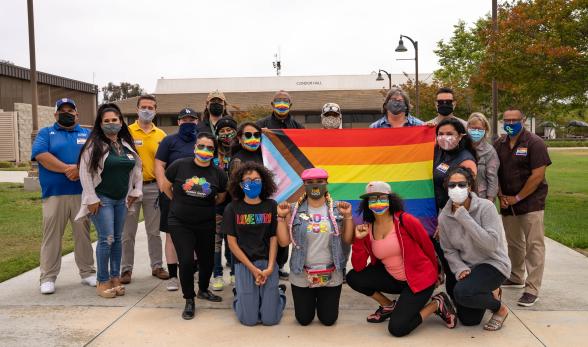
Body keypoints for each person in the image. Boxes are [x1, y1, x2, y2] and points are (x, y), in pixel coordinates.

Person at [346, 182, 456, 337]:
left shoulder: (405, 220)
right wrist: (358, 240)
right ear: (367, 203)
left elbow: (428, 247)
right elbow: (358, 267)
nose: (377, 202)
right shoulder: (367, 228)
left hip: (419, 280)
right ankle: (387, 305)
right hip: (394, 278)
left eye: (381, 198)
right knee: (353, 277)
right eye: (372, 199)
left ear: (390, 200)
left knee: (397, 328)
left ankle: (437, 303)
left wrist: (437, 272)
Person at [76, 103, 142, 298]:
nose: (111, 124)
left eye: (115, 120)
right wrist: (91, 198)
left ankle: (115, 277)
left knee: (118, 240)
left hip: (121, 200)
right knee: (107, 239)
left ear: (121, 122)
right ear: (100, 124)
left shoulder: (125, 145)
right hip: (101, 199)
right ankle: (102, 280)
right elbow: (84, 173)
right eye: (107, 121)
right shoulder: (94, 145)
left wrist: (135, 192)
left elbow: (137, 169)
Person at [32, 98, 95, 294]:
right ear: (55, 114)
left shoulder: (87, 133)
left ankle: (87, 273)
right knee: (51, 237)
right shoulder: (46, 133)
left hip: (81, 194)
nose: (66, 113)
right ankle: (48, 277)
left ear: (77, 114)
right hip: (54, 195)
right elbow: (41, 155)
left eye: (70, 110)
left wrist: (80, 169)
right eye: (62, 110)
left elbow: (95, 156)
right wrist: (69, 169)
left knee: (83, 235)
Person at [275, 168, 353, 326]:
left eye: (319, 182)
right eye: (310, 183)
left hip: (331, 273)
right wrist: (281, 218)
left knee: (328, 320)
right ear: (304, 185)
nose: (315, 186)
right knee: (303, 320)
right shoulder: (292, 209)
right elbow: (283, 242)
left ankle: (323, 302)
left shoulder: (339, 208)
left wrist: (348, 216)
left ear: (326, 184)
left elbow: (348, 239)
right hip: (302, 273)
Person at [162, 133, 227, 319]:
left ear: (214, 152)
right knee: (187, 260)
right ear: (195, 147)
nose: (205, 150)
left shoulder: (218, 174)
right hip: (180, 222)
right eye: (201, 146)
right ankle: (189, 299)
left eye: (209, 148)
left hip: (206, 223)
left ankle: (203, 289)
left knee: (207, 261)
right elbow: (166, 186)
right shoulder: (179, 165)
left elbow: (221, 196)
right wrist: (177, 202)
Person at [438, 167, 511, 330]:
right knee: (469, 320)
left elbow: (492, 244)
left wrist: (464, 217)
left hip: (493, 263)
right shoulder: (444, 217)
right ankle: (490, 292)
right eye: (452, 185)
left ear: (470, 186)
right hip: (469, 267)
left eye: (462, 184)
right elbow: (449, 250)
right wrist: (460, 268)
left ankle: (500, 309)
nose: (457, 189)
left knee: (462, 292)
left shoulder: (486, 207)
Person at [494, 107, 551, 307]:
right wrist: (501, 195)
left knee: (534, 245)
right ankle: (516, 276)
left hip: (530, 202)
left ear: (523, 120)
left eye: (514, 120)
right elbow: (495, 171)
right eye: (506, 120)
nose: (510, 124)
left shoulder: (535, 143)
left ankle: (532, 288)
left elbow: (538, 176)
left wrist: (517, 198)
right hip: (507, 202)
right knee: (514, 243)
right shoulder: (499, 143)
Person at [223, 161, 287, 326]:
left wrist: (271, 267)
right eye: (248, 180)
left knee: (269, 319)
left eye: (256, 180)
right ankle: (240, 295)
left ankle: (279, 293)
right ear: (241, 184)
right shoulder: (232, 208)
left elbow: (274, 238)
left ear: (264, 182)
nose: (252, 183)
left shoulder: (271, 206)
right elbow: (232, 243)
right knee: (249, 320)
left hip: (267, 262)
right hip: (244, 264)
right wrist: (252, 269)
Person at [230, 122, 290, 280]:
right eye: (248, 135)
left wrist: (271, 136)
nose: (253, 138)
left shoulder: (266, 152)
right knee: (246, 241)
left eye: (257, 135)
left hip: (270, 204)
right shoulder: (237, 160)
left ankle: (276, 267)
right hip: (247, 207)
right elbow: (236, 188)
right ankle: (240, 276)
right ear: (240, 138)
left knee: (274, 238)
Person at [121, 94, 169, 284]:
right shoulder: (126, 132)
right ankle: (126, 270)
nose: (147, 110)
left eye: (150, 107)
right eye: (144, 107)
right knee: (128, 232)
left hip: (152, 188)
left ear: (156, 110)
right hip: (130, 188)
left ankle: (157, 266)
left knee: (154, 231)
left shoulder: (161, 135)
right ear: (137, 109)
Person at [432, 117, 477, 305]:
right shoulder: (440, 153)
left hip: (455, 218)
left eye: (450, 134)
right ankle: (453, 300)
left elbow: (463, 197)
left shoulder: (466, 160)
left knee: (456, 262)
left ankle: (462, 300)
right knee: (445, 259)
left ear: (460, 136)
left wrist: (444, 222)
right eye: (441, 134)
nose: (445, 138)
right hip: (439, 214)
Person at [154, 108, 200, 291]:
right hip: (172, 196)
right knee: (172, 235)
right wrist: (165, 189)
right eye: (184, 119)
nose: (188, 121)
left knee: (196, 236)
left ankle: (194, 270)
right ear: (179, 121)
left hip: (197, 197)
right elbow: (159, 165)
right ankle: (173, 276)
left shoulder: (202, 140)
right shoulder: (168, 141)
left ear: (197, 121)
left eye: (192, 119)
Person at [211, 116, 238, 291]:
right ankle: (218, 274)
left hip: (236, 203)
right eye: (222, 131)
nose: (226, 133)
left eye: (229, 130)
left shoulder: (240, 150)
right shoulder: (212, 151)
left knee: (234, 240)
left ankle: (235, 273)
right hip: (217, 203)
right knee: (216, 241)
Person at [467, 112, 499, 201]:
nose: (476, 131)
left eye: (479, 129)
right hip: (462, 198)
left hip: (481, 198)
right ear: (468, 127)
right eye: (473, 128)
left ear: (485, 129)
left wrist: (490, 199)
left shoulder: (490, 151)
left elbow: (492, 178)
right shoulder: (461, 147)